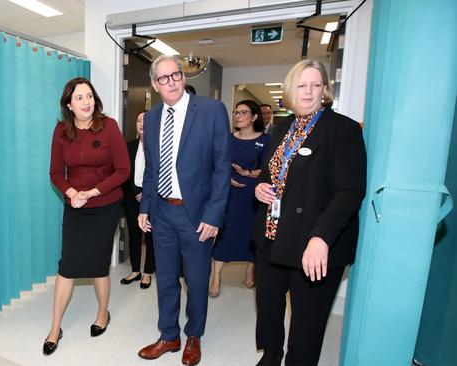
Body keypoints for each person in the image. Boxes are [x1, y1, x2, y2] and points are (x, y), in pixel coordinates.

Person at [252, 59, 366, 365]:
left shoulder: (343, 130)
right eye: (302, 85)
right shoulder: (281, 128)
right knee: (269, 307)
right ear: (291, 89)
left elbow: (350, 192)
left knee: (307, 322)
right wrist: (259, 187)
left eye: (316, 85)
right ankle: (271, 354)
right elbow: (270, 173)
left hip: (313, 243)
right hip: (272, 236)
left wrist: (321, 239)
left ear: (325, 90)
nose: (308, 92)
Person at [137, 55, 231, 366]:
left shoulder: (210, 110)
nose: (172, 82)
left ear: (182, 75)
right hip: (162, 212)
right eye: (163, 78)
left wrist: (214, 216)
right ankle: (169, 335)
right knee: (165, 277)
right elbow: (151, 169)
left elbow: (221, 168)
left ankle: (193, 335)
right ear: (154, 85)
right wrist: (145, 209)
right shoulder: (150, 119)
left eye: (175, 75)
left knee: (197, 278)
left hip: (197, 215)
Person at [45, 77, 130, 356]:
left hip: (105, 205)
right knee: (66, 266)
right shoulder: (61, 131)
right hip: (75, 206)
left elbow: (123, 171)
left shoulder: (109, 127)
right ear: (69, 104)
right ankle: (55, 327)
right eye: (79, 97)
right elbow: (56, 173)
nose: (86, 102)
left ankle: (103, 313)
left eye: (89, 96)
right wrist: (71, 192)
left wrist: (92, 192)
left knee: (98, 264)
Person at [209, 100, 271, 297]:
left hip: (254, 194)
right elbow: (215, 163)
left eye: (243, 112)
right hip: (228, 194)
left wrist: (248, 173)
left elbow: (268, 169)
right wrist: (227, 178)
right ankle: (216, 277)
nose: (238, 115)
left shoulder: (266, 140)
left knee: (251, 233)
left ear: (254, 117)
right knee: (224, 233)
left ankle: (249, 272)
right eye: (236, 112)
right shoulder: (227, 138)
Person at [121, 110, 155, 289]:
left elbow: (160, 174)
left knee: (150, 237)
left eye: (146, 120)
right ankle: (135, 270)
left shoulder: (159, 146)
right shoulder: (128, 146)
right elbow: (124, 173)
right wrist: (135, 192)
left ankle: (148, 272)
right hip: (131, 198)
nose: (142, 123)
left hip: (151, 199)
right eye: (139, 120)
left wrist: (146, 192)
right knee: (134, 235)